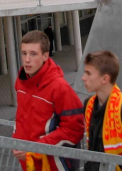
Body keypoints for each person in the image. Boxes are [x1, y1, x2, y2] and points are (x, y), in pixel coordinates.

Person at [12, 31, 84, 171]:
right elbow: (22, 118)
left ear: (45, 56)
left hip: (54, 164)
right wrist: (16, 140)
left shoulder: (60, 88)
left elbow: (74, 129)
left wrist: (34, 148)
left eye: (33, 54)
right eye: (24, 53)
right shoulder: (21, 82)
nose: (27, 60)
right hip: (29, 163)